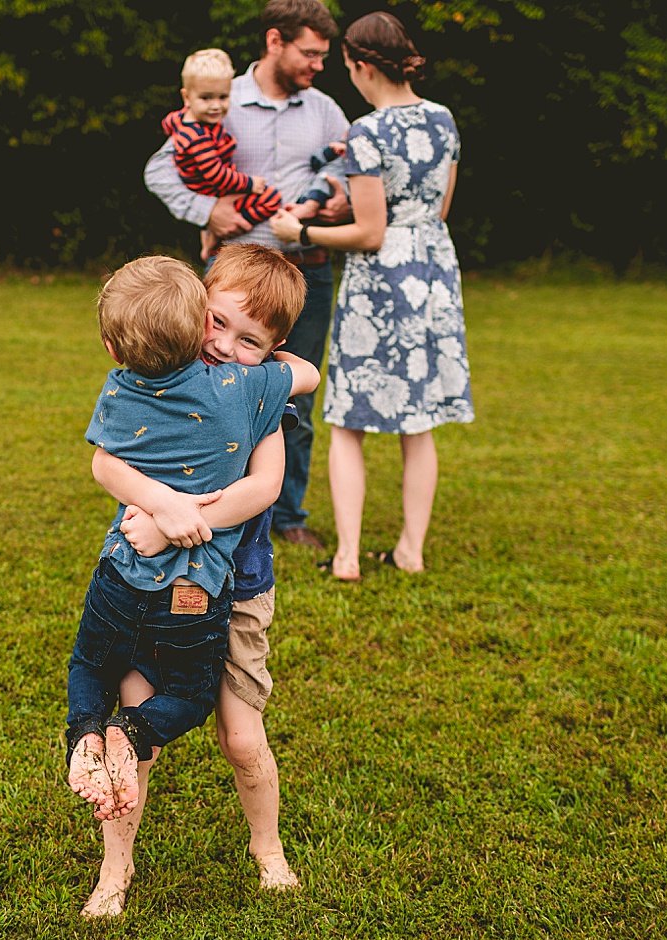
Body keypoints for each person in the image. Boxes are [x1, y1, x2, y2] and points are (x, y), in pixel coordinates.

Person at [82, 244, 312, 918]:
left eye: (251, 341)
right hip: (147, 591)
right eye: (217, 323)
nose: (225, 346)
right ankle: (114, 867)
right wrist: (161, 509)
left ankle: (267, 849)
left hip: (236, 590)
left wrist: (177, 521)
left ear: (272, 350)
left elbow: (263, 488)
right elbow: (107, 463)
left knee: (242, 737)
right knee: (135, 734)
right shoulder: (156, 378)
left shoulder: (258, 395)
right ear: (194, 309)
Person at [271, 11, 474, 582]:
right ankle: (410, 549)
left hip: (379, 283)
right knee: (420, 423)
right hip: (433, 272)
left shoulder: (367, 131)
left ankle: (348, 556)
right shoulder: (443, 120)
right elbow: (441, 210)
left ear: (361, 66)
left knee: (347, 423)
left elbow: (370, 231)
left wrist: (301, 233)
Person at [145, 0, 351, 552]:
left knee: (293, 398)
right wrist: (206, 211)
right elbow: (161, 169)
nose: (318, 64)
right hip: (234, 268)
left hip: (307, 269)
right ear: (274, 42)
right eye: (309, 52)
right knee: (209, 384)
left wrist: (335, 202)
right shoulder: (219, 96)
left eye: (323, 55)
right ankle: (201, 498)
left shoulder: (327, 110)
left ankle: (288, 516)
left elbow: (347, 169)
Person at [163, 49, 284, 260]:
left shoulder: (182, 119)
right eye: (206, 98)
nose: (216, 106)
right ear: (186, 97)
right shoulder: (197, 137)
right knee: (271, 198)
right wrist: (249, 183)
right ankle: (232, 227)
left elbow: (168, 123)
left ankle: (209, 236)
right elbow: (215, 174)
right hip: (213, 189)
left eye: (223, 97)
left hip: (211, 187)